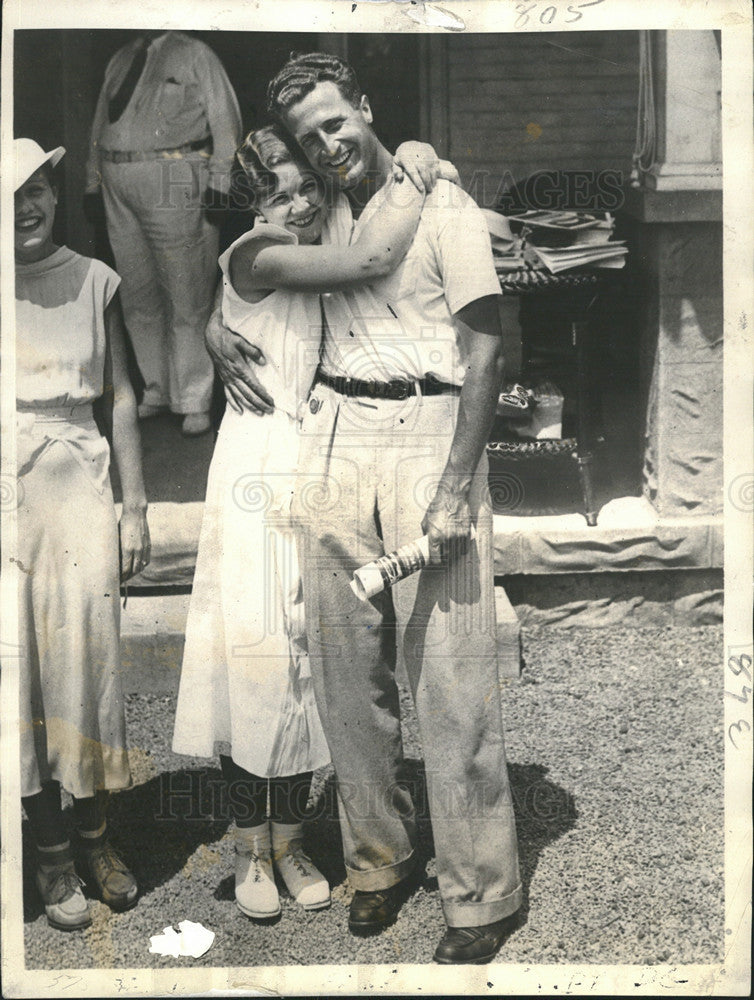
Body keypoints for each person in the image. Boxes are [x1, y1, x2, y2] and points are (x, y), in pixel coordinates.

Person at [208, 52, 523, 965]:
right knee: (347, 673)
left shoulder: (445, 202)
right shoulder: (323, 212)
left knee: (452, 677)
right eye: (311, 139)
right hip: (334, 434)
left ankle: (479, 894)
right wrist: (207, 316)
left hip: (431, 437)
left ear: (368, 110)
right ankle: (377, 863)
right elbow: (245, 265)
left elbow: (487, 353)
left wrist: (459, 482)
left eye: (337, 124)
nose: (328, 147)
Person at [171, 124, 436, 920]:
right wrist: (416, 177)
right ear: (250, 206)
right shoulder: (259, 253)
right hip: (256, 464)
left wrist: (419, 155)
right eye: (275, 193)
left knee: (306, 658)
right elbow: (371, 259)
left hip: (319, 460)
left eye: (304, 187)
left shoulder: (324, 235)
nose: (295, 204)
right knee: (253, 656)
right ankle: (252, 847)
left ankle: (292, 841)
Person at [15, 138, 151, 931]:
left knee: (88, 662)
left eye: (36, 190)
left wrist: (136, 504)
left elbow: (122, 397)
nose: (26, 206)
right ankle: (50, 853)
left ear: (55, 194)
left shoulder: (96, 279)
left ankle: (97, 837)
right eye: (9, 196)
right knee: (21, 672)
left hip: (80, 486)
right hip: (8, 494)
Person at [85, 30, 242, 436]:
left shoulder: (194, 53)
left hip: (174, 176)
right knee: (138, 292)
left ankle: (193, 398)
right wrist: (92, 182)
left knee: (185, 290)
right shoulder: (121, 57)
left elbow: (226, 120)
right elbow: (99, 124)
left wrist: (221, 182)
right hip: (117, 180)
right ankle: (155, 389)